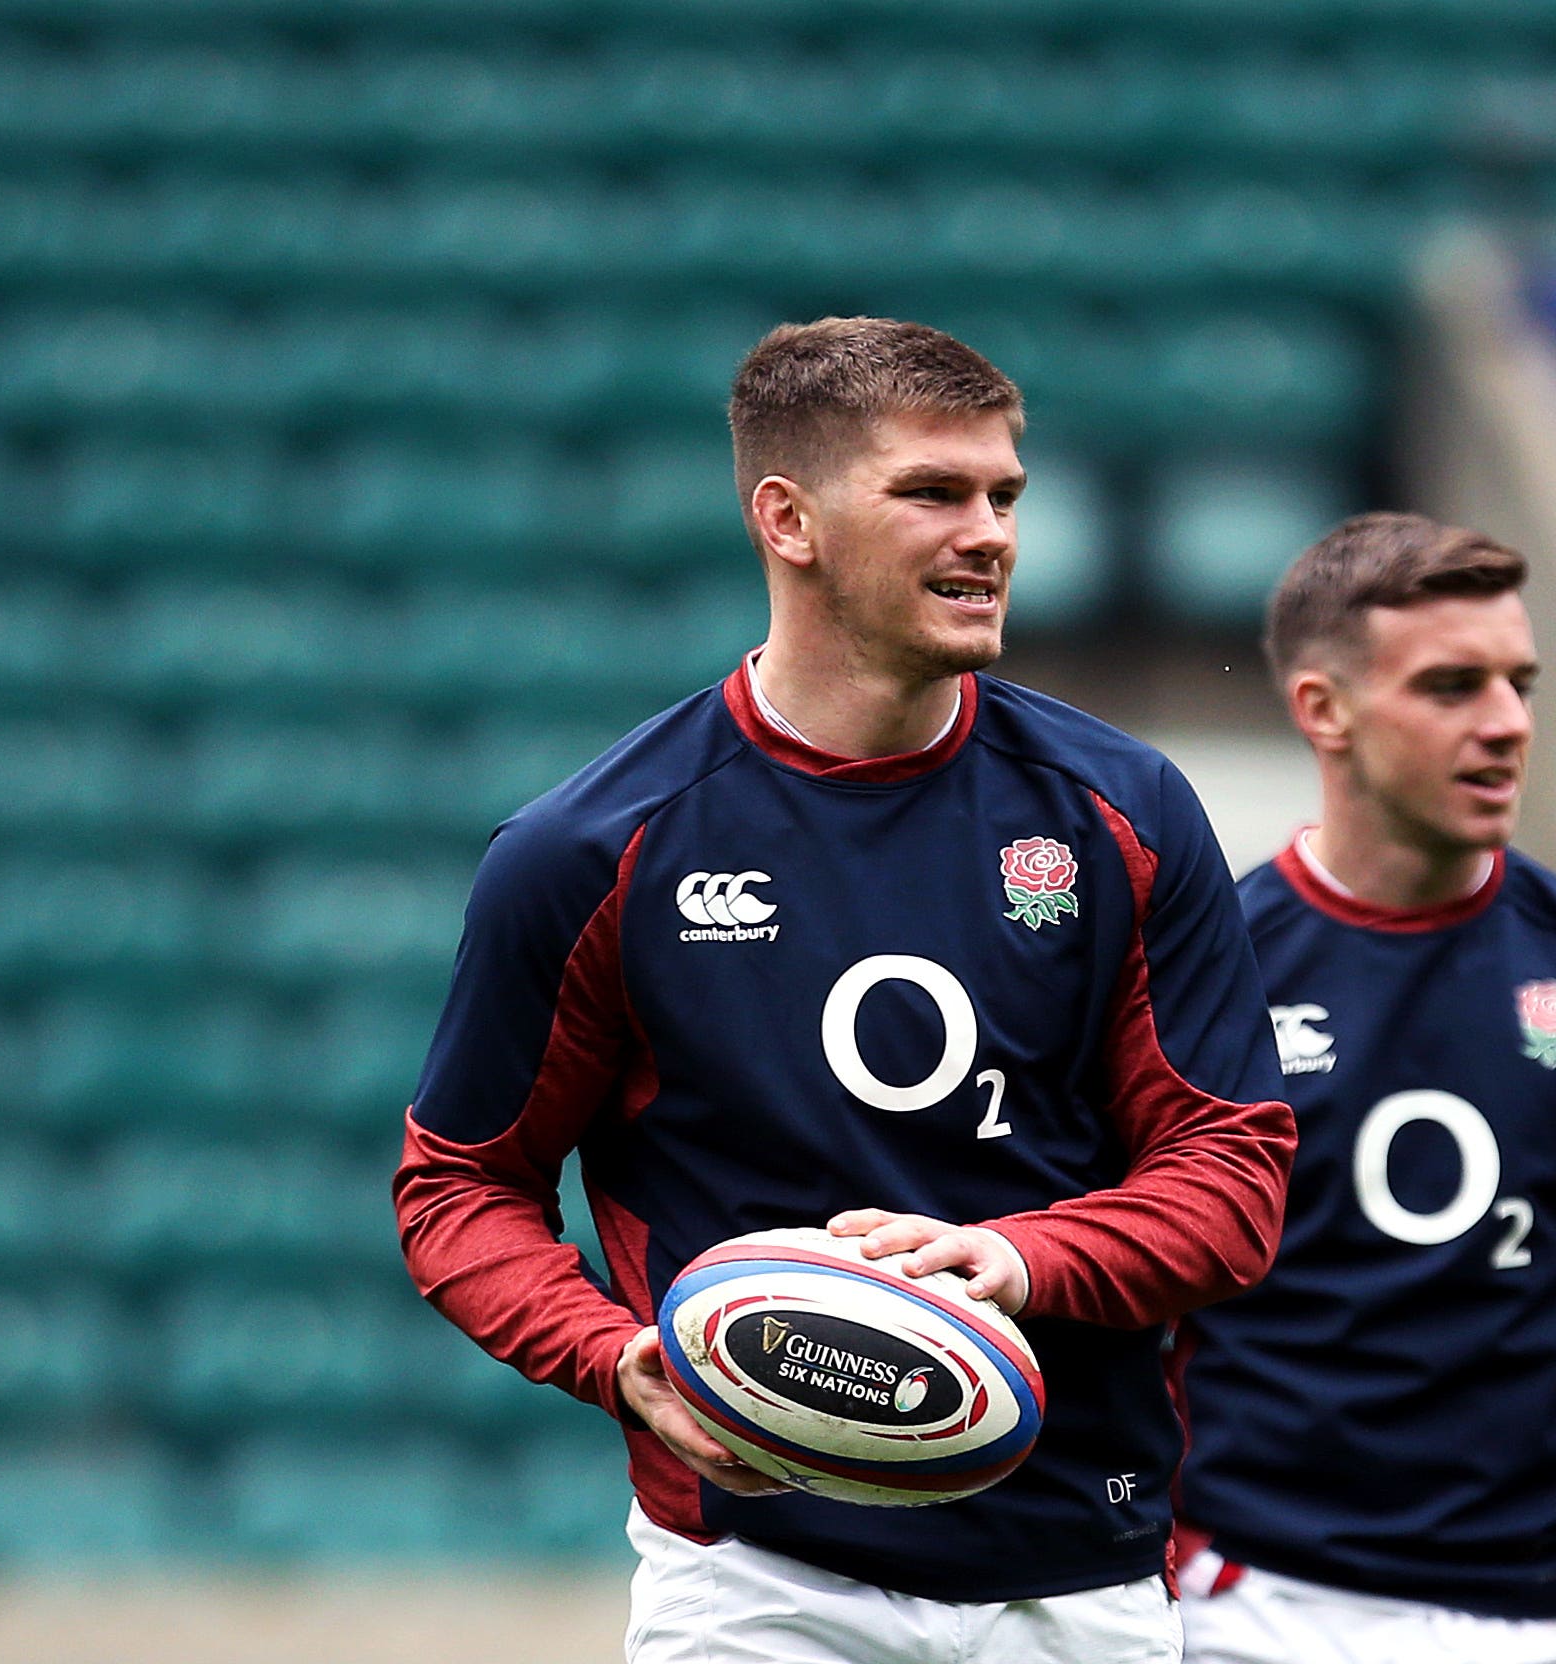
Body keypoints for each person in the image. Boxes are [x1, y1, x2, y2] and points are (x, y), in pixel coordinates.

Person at [393, 317, 1295, 1664]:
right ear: (789, 520)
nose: (990, 532)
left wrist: (1017, 1261)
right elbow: (459, 1188)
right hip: (758, 1582)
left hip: (1081, 1574)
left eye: (1004, 495)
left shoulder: (1128, 813)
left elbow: (1234, 1179)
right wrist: (620, 1361)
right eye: (934, 492)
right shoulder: (591, 852)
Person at [1171, 513, 1556, 1664]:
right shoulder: (1209, 971)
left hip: (1537, 1621)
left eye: (1520, 682)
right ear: (1323, 710)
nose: (1505, 722)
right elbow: (1118, 1304)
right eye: (1452, 685)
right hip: (1243, 1608)